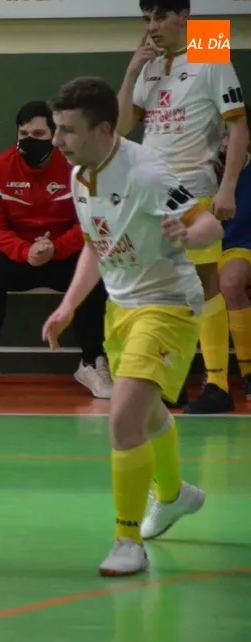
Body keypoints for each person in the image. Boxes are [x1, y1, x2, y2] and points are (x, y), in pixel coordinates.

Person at [43, 76, 221, 576]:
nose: (56, 140)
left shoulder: (147, 172)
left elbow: (210, 224)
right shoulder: (80, 175)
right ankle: (174, 495)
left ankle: (127, 541)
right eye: (56, 128)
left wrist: (190, 232)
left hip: (166, 304)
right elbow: (95, 245)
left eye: (67, 130)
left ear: (103, 130)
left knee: (123, 419)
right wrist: (69, 305)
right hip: (120, 306)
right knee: (146, 414)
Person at [116, 0, 248, 413]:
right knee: (160, 289)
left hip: (194, 189)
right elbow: (119, 128)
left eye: (160, 17)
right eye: (146, 18)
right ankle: (170, 381)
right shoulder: (150, 63)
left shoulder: (210, 47)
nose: (152, 27)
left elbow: (238, 125)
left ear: (183, 17)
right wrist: (131, 71)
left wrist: (228, 188)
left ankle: (218, 384)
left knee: (205, 283)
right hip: (149, 192)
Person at [0, 100, 112, 398]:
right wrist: (26, 251)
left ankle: (92, 362)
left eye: (38, 134)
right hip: (18, 258)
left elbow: (91, 221)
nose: (30, 140)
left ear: (55, 134)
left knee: (98, 265)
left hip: (63, 256)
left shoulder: (78, 167)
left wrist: (56, 248)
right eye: (24, 134)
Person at [216, 131, 251, 397]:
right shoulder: (199, 170)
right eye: (222, 135)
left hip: (241, 244)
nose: (226, 142)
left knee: (230, 283)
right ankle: (212, 378)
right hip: (200, 247)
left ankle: (248, 371)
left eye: (232, 135)